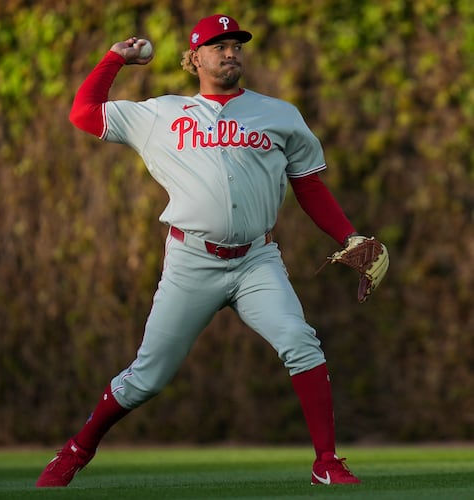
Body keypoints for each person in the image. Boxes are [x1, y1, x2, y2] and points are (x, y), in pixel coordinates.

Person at [36, 14, 363, 488]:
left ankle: (326, 462)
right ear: (195, 59)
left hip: (257, 261)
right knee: (148, 377)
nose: (230, 53)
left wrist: (349, 237)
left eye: (236, 45)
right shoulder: (159, 115)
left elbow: (308, 186)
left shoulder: (280, 114)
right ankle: (77, 449)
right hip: (191, 262)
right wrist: (114, 59)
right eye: (218, 46)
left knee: (299, 340)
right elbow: (83, 112)